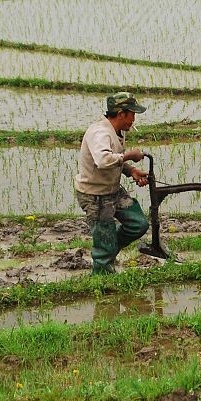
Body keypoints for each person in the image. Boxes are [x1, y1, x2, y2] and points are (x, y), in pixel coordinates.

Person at [75, 91, 155, 275]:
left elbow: (115, 158)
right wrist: (130, 156)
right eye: (132, 114)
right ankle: (102, 279)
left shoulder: (117, 131)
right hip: (94, 195)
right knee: (104, 242)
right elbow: (103, 161)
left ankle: (108, 249)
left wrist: (131, 171)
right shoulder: (100, 132)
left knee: (138, 224)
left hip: (112, 190)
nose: (134, 119)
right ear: (121, 114)